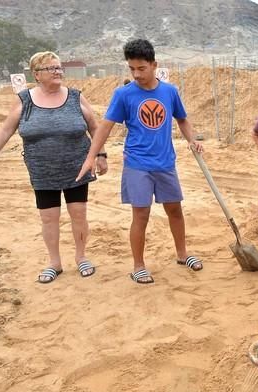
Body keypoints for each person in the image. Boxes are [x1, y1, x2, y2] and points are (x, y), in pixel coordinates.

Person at [76, 39, 204, 284]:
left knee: (175, 210)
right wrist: (92, 155)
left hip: (166, 163)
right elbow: (105, 126)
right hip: (137, 164)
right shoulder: (123, 94)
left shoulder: (170, 91)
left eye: (141, 68)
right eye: (131, 69)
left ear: (154, 65)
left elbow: (183, 120)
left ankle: (182, 253)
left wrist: (192, 140)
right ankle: (138, 265)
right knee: (141, 214)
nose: (136, 74)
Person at [0, 51, 105, 283]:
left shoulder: (76, 97)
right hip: (42, 170)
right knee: (49, 218)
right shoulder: (24, 99)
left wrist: (100, 154)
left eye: (59, 68)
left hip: (76, 167)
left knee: (78, 214)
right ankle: (54, 263)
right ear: (37, 74)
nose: (58, 72)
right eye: (51, 68)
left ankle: (81, 257)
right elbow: (6, 129)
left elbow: (95, 127)